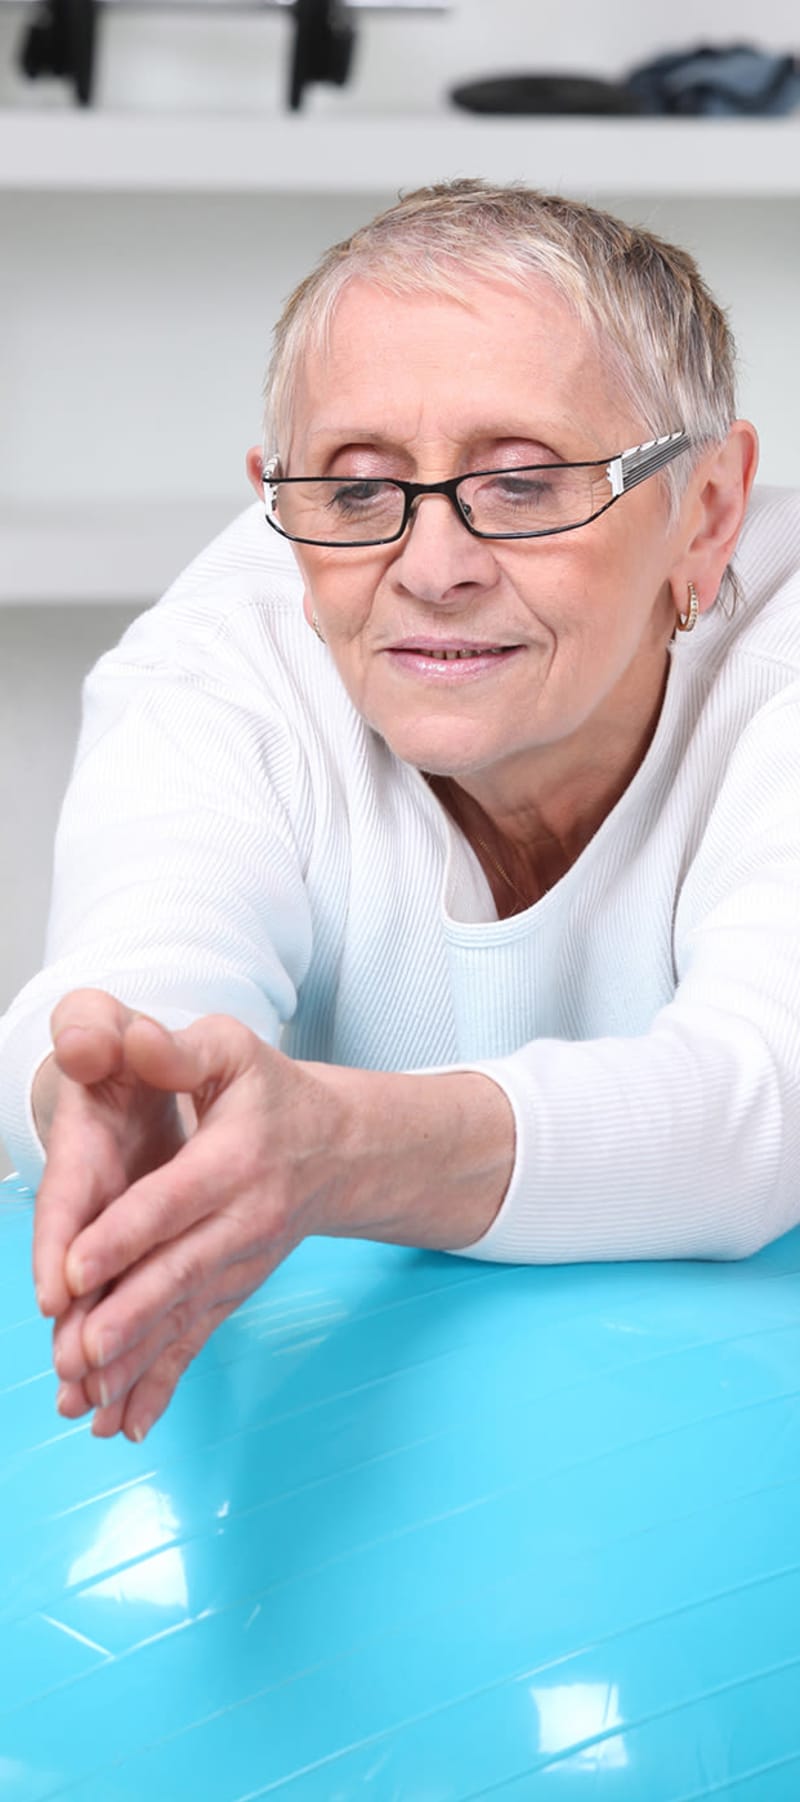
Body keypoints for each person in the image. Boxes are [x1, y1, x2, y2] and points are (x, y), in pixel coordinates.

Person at [1, 178, 797, 1449]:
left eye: (524, 483)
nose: (431, 567)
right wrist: (104, 1098)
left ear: (702, 512)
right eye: (358, 491)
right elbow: (133, 972)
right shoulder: (220, 664)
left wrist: (343, 1146)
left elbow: (756, 1100)